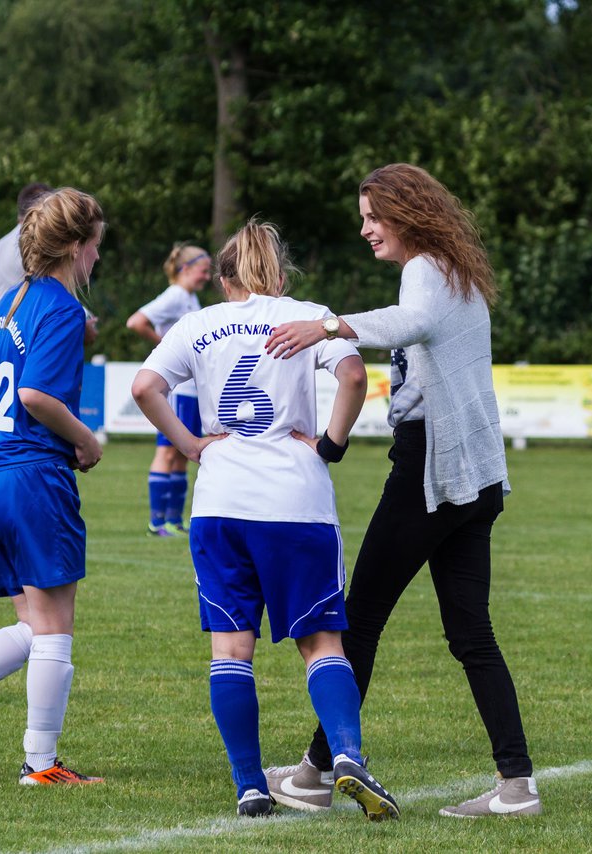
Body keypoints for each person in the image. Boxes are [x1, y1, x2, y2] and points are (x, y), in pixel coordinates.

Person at [264, 163, 541, 818]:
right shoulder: (456, 270)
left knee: (357, 620)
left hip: (432, 469)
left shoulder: (427, 271)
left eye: (372, 217)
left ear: (406, 213)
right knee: (471, 632)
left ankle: (311, 775)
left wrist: (327, 325)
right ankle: (516, 785)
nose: (365, 230)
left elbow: (408, 321)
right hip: (476, 476)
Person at [131, 219, 398, 820]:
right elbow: (354, 375)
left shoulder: (199, 323)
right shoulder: (306, 313)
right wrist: (329, 444)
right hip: (295, 502)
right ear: (279, 275)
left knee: (231, 651)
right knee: (322, 644)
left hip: (222, 503)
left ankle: (250, 784)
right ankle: (348, 757)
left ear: (225, 279)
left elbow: (146, 385)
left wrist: (193, 443)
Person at [0, 187, 106, 786]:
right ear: (77, 246)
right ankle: (41, 764)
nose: (95, 261)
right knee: (55, 628)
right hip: (30, 475)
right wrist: (86, 440)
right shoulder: (59, 306)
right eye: (95, 248)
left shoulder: (7, 304)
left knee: (33, 626)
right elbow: (36, 396)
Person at [126, 243, 211, 536]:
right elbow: (136, 321)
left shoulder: (189, 297)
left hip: (189, 390)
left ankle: (174, 521)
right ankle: (157, 522)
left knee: (180, 454)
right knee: (166, 451)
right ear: (185, 269)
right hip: (175, 390)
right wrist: (162, 344)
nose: (207, 276)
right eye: (203, 270)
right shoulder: (175, 295)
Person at [0, 183, 98, 353]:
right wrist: (79, 321)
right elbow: (49, 297)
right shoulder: (29, 245)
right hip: (21, 338)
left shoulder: (0, 245)